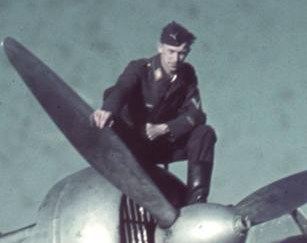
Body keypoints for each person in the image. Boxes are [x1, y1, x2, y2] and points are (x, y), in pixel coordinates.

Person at [91, 21, 216, 204]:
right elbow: (122, 89)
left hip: (162, 143)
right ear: (160, 48)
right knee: (113, 122)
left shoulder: (187, 75)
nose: (175, 59)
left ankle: (196, 202)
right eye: (170, 52)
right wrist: (107, 110)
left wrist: (165, 128)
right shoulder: (140, 69)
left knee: (204, 133)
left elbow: (196, 114)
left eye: (182, 53)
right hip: (134, 144)